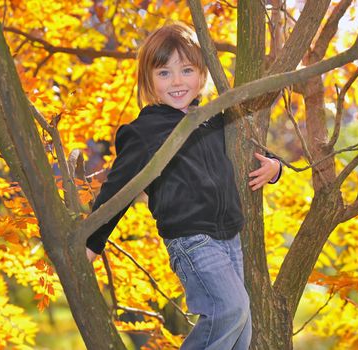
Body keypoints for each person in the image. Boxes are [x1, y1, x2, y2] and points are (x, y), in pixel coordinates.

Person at [84, 22, 282, 350]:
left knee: (242, 330)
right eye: (164, 73)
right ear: (148, 80)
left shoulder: (215, 117)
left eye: (186, 70)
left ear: (202, 73)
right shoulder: (145, 132)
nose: (177, 81)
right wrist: (92, 243)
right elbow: (118, 191)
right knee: (230, 310)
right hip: (192, 240)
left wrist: (274, 167)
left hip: (230, 239)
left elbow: (249, 148)